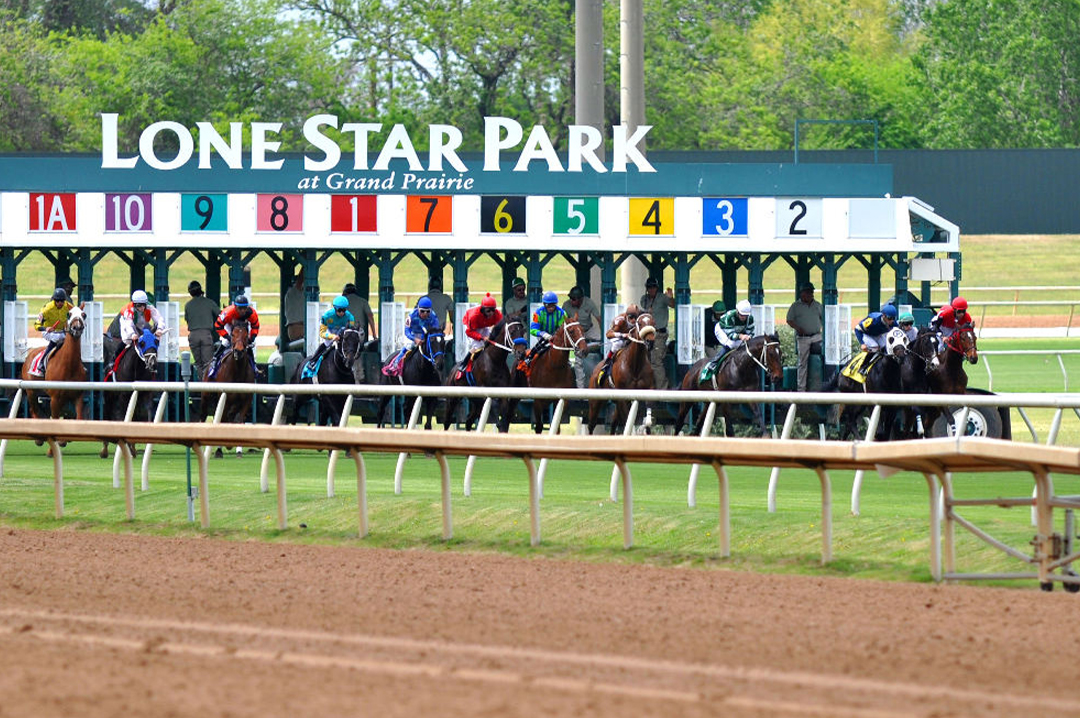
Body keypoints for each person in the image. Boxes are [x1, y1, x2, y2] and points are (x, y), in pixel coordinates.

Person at [382, 296, 441, 377]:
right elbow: (407, 331)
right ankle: (395, 364)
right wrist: (415, 339)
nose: (425, 314)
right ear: (418, 308)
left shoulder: (433, 316)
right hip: (412, 334)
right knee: (409, 345)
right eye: (422, 311)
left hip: (425, 335)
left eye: (428, 311)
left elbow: (435, 330)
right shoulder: (411, 315)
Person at [785, 282, 824, 392]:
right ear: (802, 293)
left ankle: (824, 384)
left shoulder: (817, 305)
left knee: (826, 354)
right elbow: (789, 320)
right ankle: (801, 389)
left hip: (816, 336)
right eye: (808, 292)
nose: (810, 294)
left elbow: (824, 318)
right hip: (803, 338)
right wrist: (798, 328)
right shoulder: (795, 306)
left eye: (811, 292)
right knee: (802, 363)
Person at [563, 285, 602, 387]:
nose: (571, 301)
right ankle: (579, 386)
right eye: (570, 298)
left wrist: (603, 334)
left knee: (601, 342)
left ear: (581, 299)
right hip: (574, 332)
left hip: (588, 329)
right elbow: (563, 322)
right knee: (578, 359)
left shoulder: (589, 303)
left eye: (574, 299)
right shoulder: (566, 305)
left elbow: (599, 318)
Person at [305, 296, 357, 372]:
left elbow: (350, 333)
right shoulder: (327, 316)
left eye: (344, 310)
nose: (342, 313)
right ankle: (313, 361)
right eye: (339, 310)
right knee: (327, 343)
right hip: (329, 330)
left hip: (342, 330)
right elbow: (322, 333)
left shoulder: (350, 317)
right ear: (334, 308)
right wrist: (332, 336)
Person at [30, 288, 73, 376]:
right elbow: (36, 325)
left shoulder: (67, 306)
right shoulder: (47, 309)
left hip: (62, 331)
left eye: (62, 301)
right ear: (54, 300)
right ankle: (41, 362)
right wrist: (46, 328)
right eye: (58, 301)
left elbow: (76, 312)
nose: (60, 303)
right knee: (58, 338)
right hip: (48, 332)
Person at [455, 293, 502, 374]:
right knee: (478, 346)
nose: (491, 313)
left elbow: (501, 326)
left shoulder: (497, 314)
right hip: (471, 328)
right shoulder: (474, 316)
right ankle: (464, 364)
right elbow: (469, 332)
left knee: (490, 343)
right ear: (483, 310)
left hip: (484, 325)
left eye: (493, 310)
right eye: (488, 311)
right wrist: (482, 337)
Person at [639, 276, 672, 389]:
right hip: (647, 334)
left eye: (653, 287)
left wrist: (671, 297)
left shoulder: (662, 298)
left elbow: (673, 304)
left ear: (657, 288)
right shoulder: (644, 299)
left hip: (659, 334)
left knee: (656, 362)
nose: (651, 289)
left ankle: (662, 389)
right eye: (649, 287)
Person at [212, 294, 260, 371]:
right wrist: (228, 337)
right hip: (229, 324)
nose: (242, 311)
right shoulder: (228, 313)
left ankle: (253, 365)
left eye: (244, 308)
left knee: (247, 342)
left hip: (243, 326)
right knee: (226, 342)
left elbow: (255, 326)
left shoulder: (251, 313)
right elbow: (218, 326)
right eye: (240, 308)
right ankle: (215, 358)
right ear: (235, 307)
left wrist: (252, 337)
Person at [118, 289, 168, 359]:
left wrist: (159, 329)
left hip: (140, 324)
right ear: (134, 304)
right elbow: (128, 324)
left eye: (144, 305)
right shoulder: (129, 310)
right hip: (126, 323)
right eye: (139, 305)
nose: (142, 307)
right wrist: (132, 334)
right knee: (127, 340)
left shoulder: (150, 307)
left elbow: (159, 318)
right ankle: (114, 360)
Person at [184, 280, 219, 380]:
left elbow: (187, 319)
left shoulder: (188, 305)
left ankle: (201, 382)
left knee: (198, 363)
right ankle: (207, 384)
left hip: (193, 335)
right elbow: (219, 314)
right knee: (208, 363)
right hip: (206, 334)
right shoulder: (209, 302)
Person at [597, 303, 642, 379]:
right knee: (618, 344)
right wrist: (622, 335)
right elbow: (608, 334)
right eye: (631, 317)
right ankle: (607, 363)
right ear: (626, 316)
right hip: (619, 337)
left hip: (631, 337)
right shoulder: (620, 321)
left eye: (635, 318)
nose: (633, 320)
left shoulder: (639, 321)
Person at [342, 283, 377, 382]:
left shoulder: (343, 302)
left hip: (345, 332)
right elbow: (370, 317)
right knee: (358, 351)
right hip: (358, 332)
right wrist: (374, 335)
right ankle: (360, 375)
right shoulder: (363, 301)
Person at [525, 290, 566, 363]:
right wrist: (542, 334)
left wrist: (555, 335)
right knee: (538, 349)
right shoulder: (538, 313)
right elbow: (533, 329)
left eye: (553, 305)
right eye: (548, 305)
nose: (551, 308)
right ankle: (529, 360)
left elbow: (562, 328)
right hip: (542, 337)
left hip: (556, 337)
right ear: (544, 304)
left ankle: (567, 362)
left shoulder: (562, 313)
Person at [712, 299, 756, 365]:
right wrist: (741, 336)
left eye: (746, 315)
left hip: (736, 332)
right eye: (741, 315)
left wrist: (748, 337)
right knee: (731, 344)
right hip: (722, 330)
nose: (743, 317)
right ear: (737, 311)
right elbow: (730, 335)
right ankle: (714, 363)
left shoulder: (750, 319)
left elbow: (751, 332)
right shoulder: (730, 317)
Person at [426, 276, 454, 341]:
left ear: (429, 286)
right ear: (440, 286)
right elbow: (452, 318)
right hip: (440, 331)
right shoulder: (446, 298)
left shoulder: (423, 299)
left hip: (426, 332)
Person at [283, 271, 305, 344]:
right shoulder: (294, 291)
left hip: (294, 328)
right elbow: (300, 280)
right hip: (297, 328)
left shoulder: (292, 293)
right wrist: (304, 268)